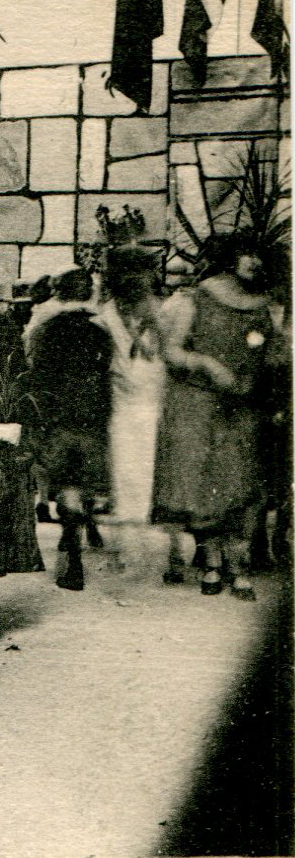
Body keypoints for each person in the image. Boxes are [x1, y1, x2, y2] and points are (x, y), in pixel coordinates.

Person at [152, 234, 283, 600]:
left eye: (260, 256)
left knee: (241, 486)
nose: (254, 262)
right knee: (203, 487)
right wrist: (207, 363)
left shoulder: (265, 305)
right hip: (196, 403)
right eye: (247, 254)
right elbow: (172, 352)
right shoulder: (193, 299)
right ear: (230, 258)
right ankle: (212, 564)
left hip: (244, 405)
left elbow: (273, 354)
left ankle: (238, 567)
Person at [28, 268, 113, 591]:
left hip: (57, 417)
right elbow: (110, 374)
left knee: (65, 480)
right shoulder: (99, 330)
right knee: (83, 478)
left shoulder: (46, 329)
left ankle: (71, 543)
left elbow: (35, 373)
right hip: (92, 417)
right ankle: (80, 529)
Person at [96, 247, 168, 575]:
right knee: (124, 472)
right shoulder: (105, 314)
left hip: (157, 398)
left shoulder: (162, 310)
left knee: (154, 469)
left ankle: (165, 549)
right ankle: (123, 549)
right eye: (130, 273)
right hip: (120, 401)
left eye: (143, 273)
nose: (137, 280)